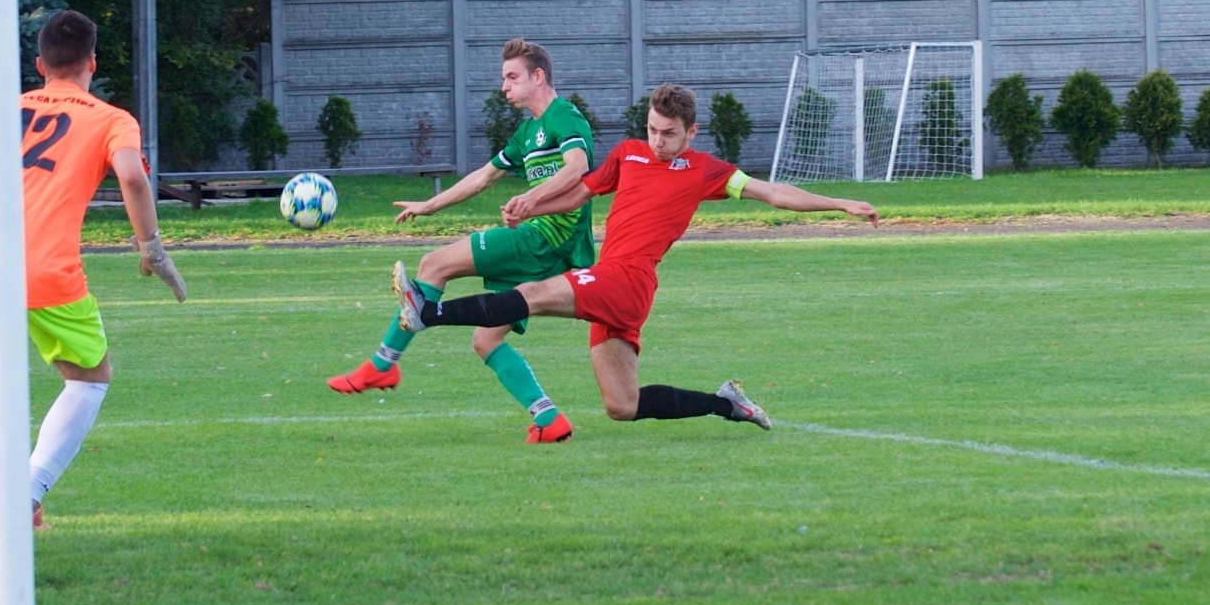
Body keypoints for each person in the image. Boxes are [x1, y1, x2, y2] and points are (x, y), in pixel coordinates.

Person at [392, 83, 878, 431]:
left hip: (628, 282)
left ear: (692, 132)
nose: (658, 141)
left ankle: (426, 313)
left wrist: (840, 204)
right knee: (621, 406)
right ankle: (726, 405)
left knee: (532, 294)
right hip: (612, 281)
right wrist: (531, 203)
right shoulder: (628, 154)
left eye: (669, 133)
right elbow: (581, 193)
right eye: (652, 130)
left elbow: (772, 193)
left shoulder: (706, 170)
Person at [0, 10, 186, 531]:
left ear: (40, 64)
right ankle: (25, 494)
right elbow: (133, 176)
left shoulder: (6, 107)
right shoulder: (112, 118)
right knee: (89, 379)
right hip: (49, 271)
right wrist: (152, 249)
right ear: (92, 62)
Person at [328, 38, 594, 444]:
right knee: (485, 339)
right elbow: (483, 177)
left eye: (512, 77)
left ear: (537, 77)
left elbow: (579, 167)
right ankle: (549, 419)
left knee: (434, 265)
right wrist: (430, 205)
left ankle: (384, 363)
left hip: (545, 239)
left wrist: (531, 198)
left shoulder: (564, 117)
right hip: (548, 249)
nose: (504, 86)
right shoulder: (527, 133)